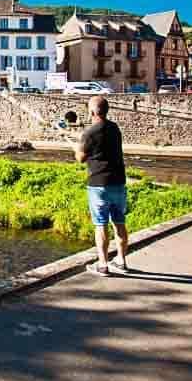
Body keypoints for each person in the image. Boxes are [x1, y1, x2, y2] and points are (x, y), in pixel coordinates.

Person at [74, 95, 129, 276]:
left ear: (91, 111)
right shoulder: (115, 129)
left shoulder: (89, 133)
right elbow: (102, 146)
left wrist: (77, 147)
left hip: (98, 185)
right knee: (119, 223)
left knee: (101, 225)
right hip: (119, 182)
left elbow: (81, 158)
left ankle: (103, 264)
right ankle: (121, 261)